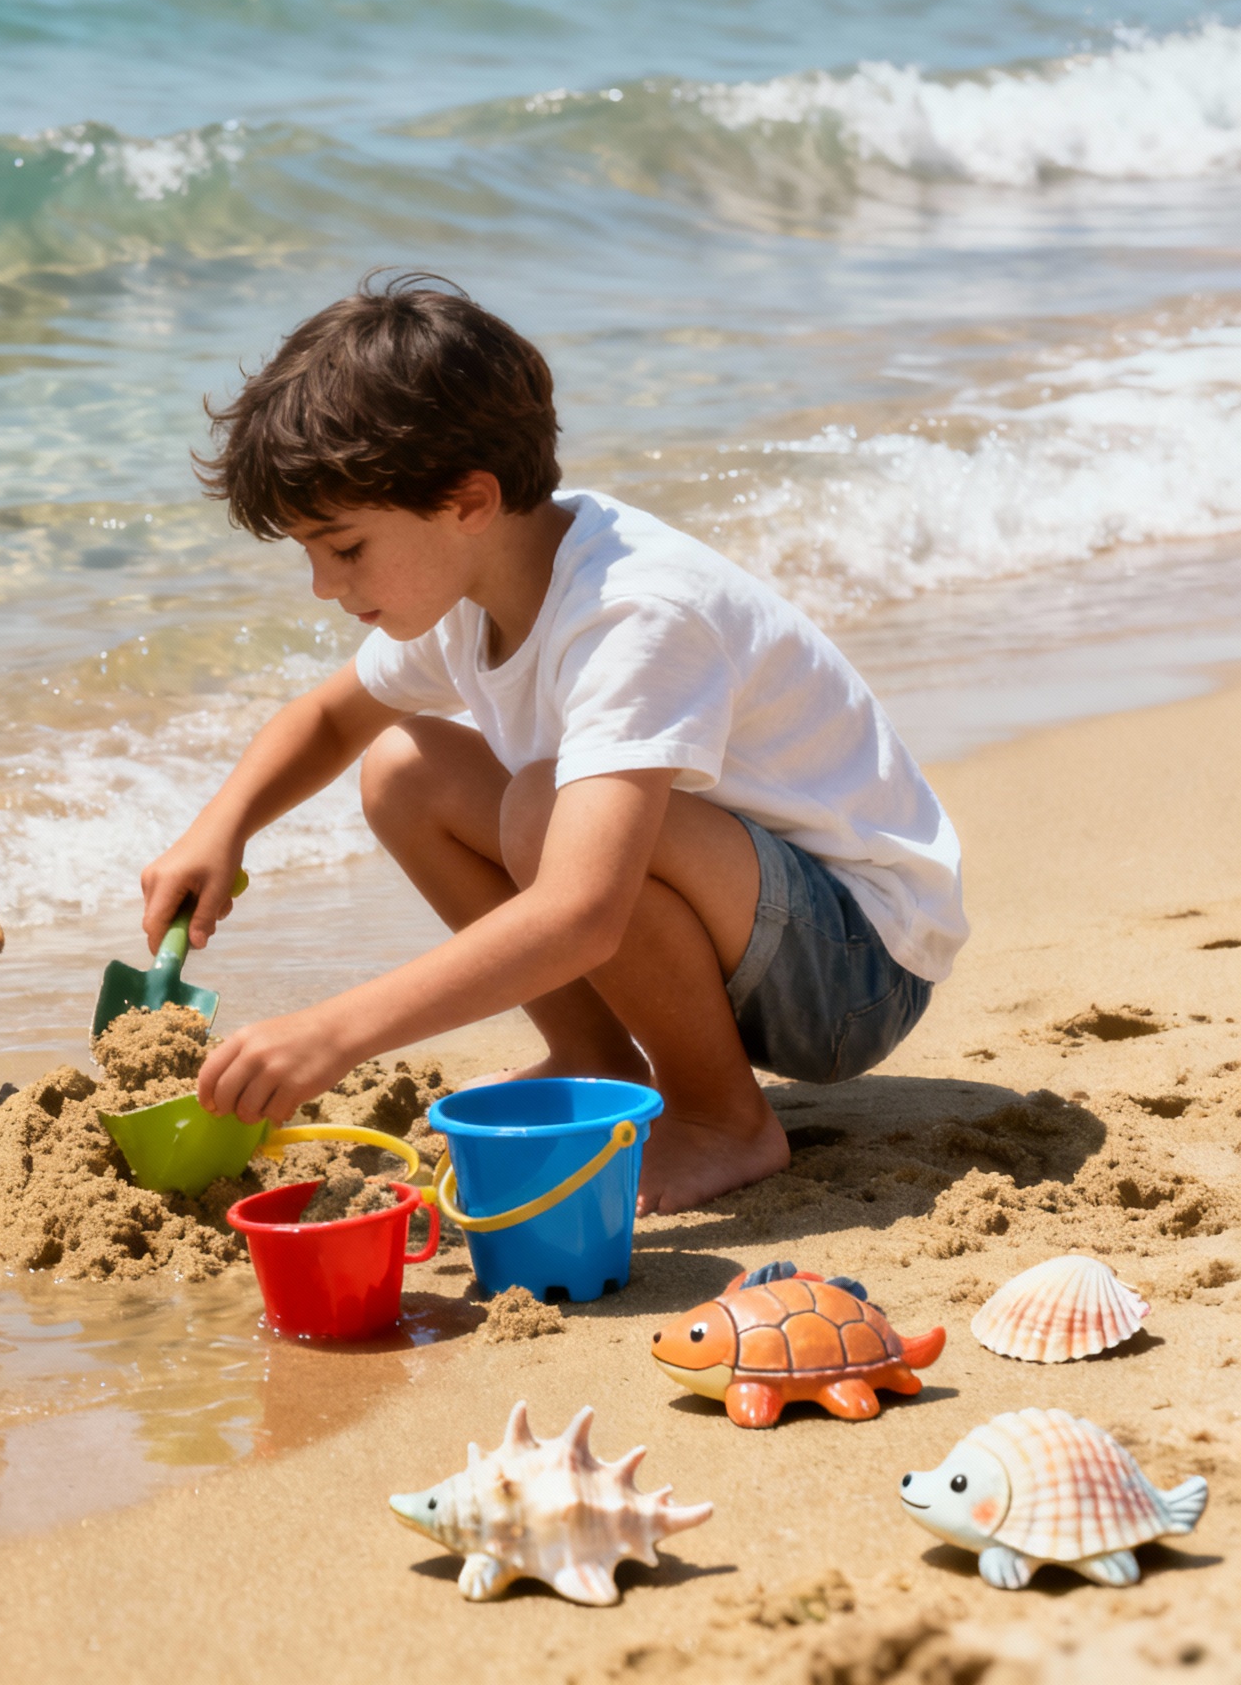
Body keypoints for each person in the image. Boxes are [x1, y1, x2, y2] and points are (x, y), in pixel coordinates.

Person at [139, 273, 964, 1215]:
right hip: (745, 928)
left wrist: (337, 1032)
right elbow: (330, 718)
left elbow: (583, 913)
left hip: (854, 969)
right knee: (405, 769)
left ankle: (722, 1118)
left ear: (469, 501)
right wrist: (223, 826)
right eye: (308, 553)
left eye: (346, 547)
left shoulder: (630, 612)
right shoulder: (474, 584)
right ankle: (593, 1057)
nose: (324, 584)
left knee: (544, 807)